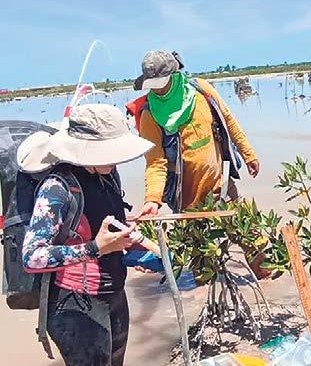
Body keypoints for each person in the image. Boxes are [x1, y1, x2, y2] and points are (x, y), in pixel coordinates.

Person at [18, 104, 154, 366]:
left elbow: (104, 225)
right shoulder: (57, 188)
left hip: (115, 295)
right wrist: (96, 248)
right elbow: (32, 257)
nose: (117, 159)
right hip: (76, 305)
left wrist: (132, 247)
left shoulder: (108, 175)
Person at [128, 50, 260, 217]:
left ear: (173, 74)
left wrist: (248, 154)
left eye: (160, 83)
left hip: (223, 185)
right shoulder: (149, 115)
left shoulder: (201, 89)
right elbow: (155, 163)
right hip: (188, 200)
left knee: (250, 226)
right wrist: (152, 199)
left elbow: (228, 120)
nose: (157, 89)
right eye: (152, 85)